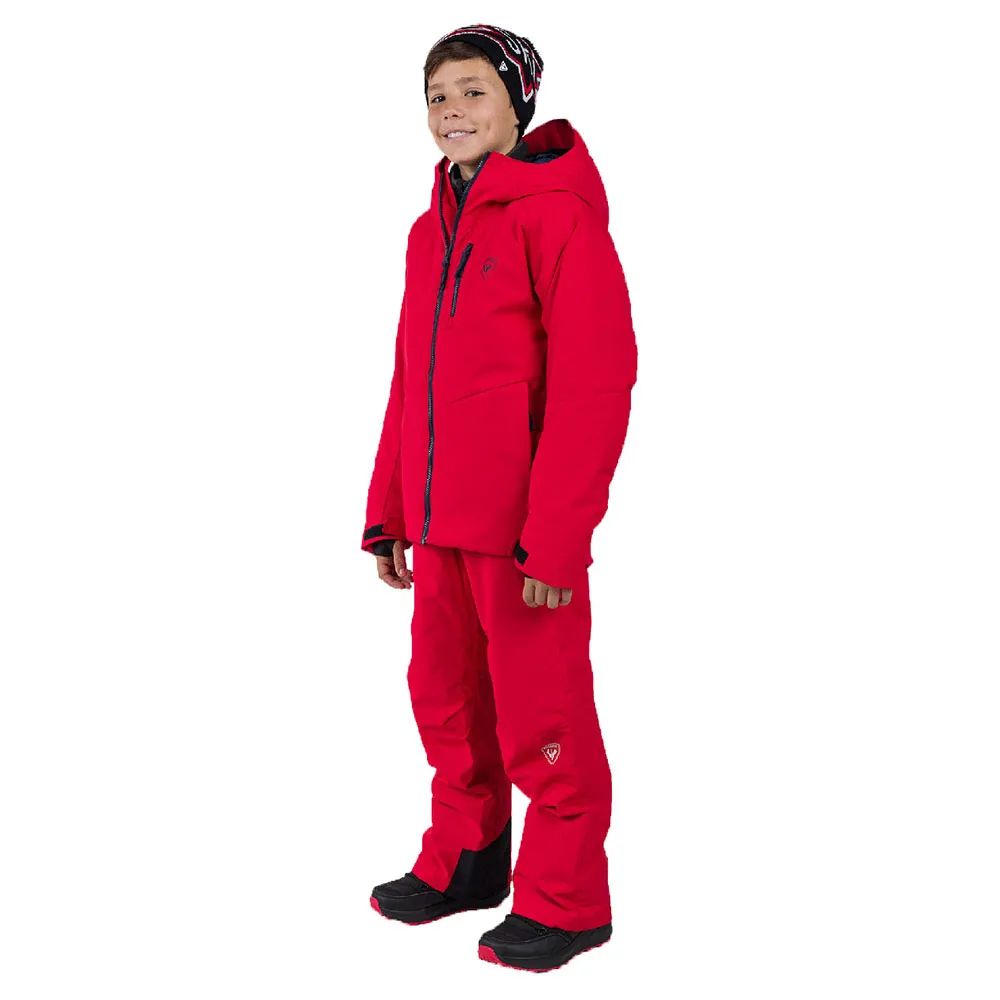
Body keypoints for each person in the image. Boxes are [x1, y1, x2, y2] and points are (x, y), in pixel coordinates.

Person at [361, 24, 638, 973]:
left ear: (518, 104)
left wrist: (557, 537)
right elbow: (412, 379)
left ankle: (567, 901)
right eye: (437, 96)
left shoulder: (557, 218)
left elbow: (595, 386)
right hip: (441, 524)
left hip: (522, 534)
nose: (452, 111)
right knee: (445, 702)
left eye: (473, 91)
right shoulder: (427, 232)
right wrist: (390, 508)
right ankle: (469, 860)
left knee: (542, 720)